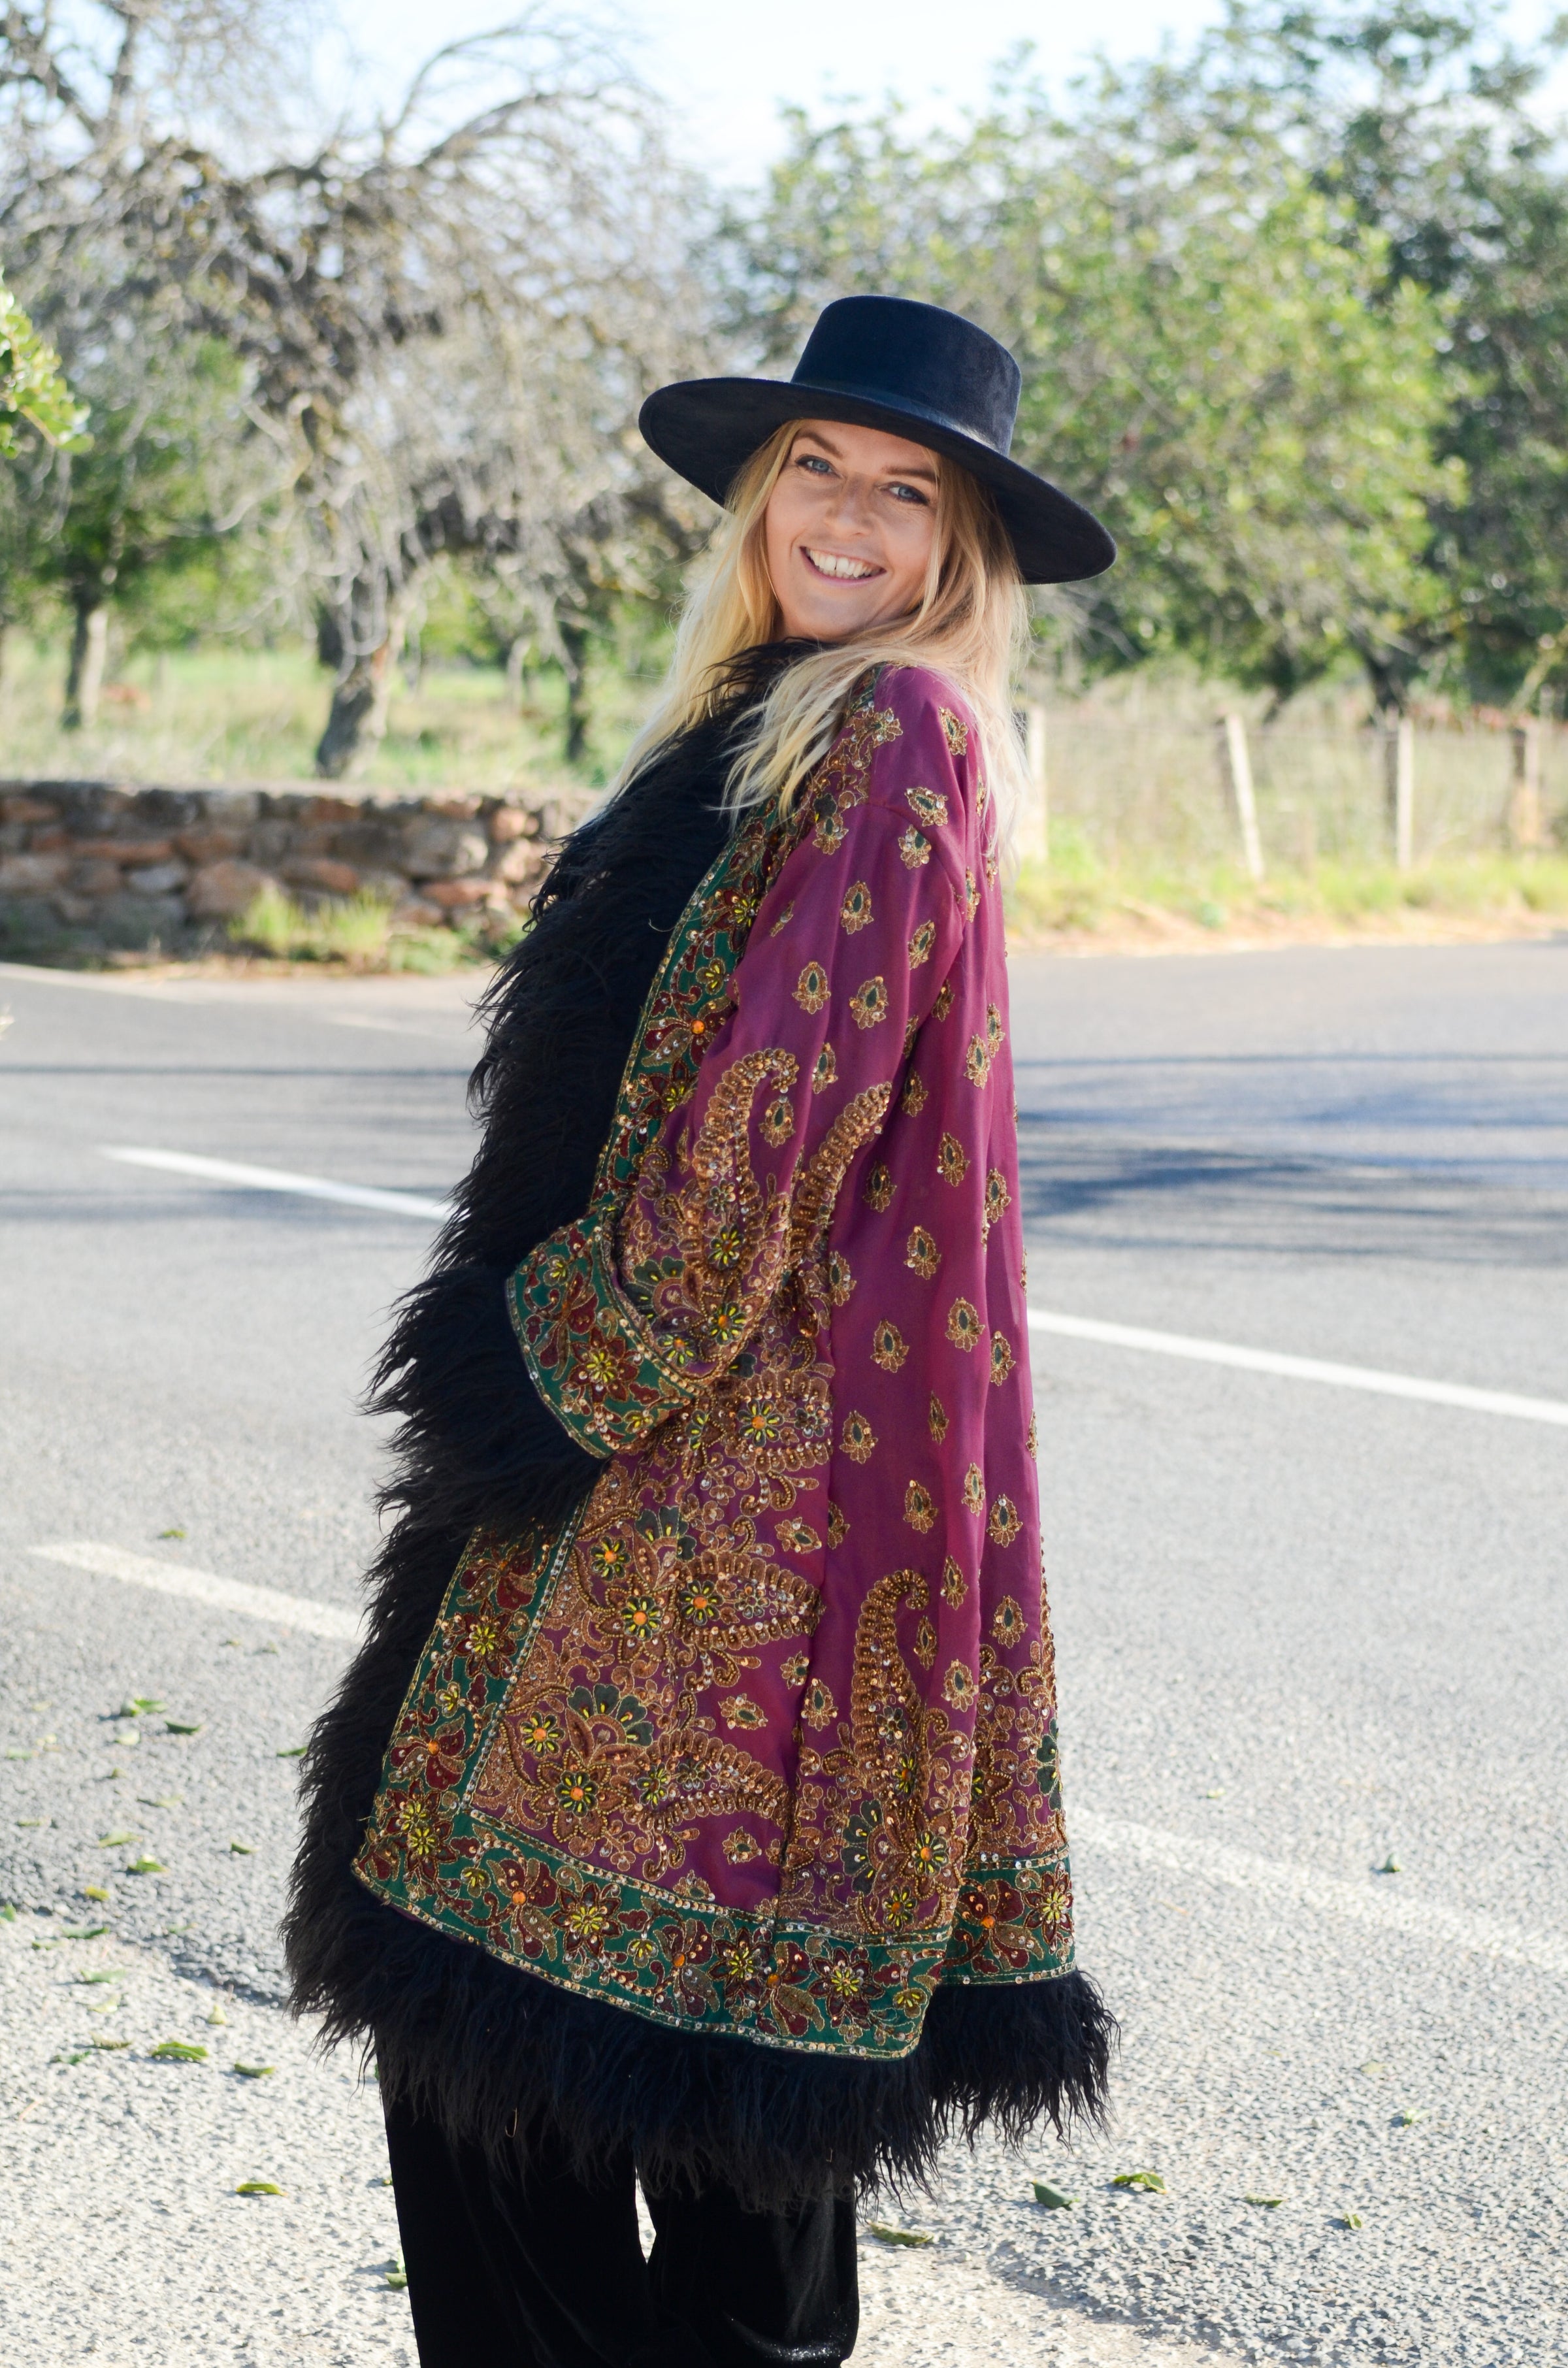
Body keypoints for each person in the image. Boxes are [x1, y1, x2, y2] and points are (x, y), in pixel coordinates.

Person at [286, 294, 1118, 2368]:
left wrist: (541, 1381)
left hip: (702, 1473)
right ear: (761, 494)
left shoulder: (895, 724)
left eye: (906, 493)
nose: (848, 516)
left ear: (960, 549)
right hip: (688, 1463)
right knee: (680, 2066)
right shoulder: (770, 715)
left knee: (555, 2061)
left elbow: (773, 1124)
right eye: (817, 468)